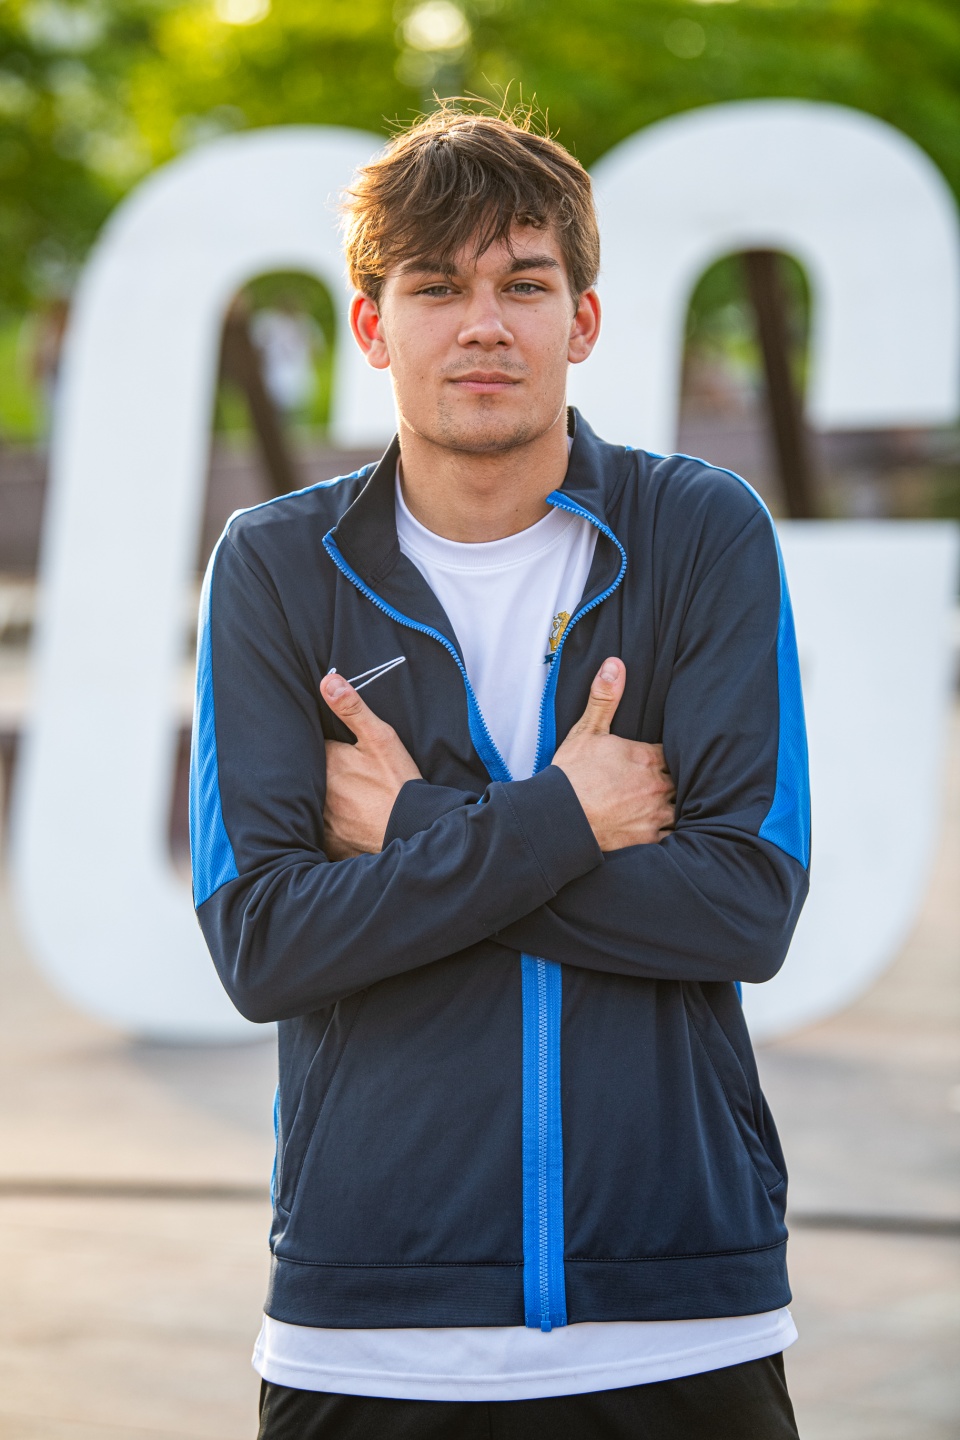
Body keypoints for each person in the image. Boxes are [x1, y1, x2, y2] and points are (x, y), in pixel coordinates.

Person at [190, 102, 809, 1439]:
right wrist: (572, 819)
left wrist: (417, 820)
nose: (484, 324)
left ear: (583, 320)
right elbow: (264, 945)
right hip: (369, 1324)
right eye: (437, 287)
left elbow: (743, 908)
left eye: (524, 285)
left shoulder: (700, 532)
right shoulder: (278, 567)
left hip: (681, 1306)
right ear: (374, 327)